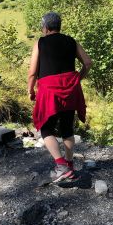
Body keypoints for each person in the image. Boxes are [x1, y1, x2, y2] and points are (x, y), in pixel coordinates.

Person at [27, 12, 92, 182]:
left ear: (45, 27)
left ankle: (61, 166)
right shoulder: (71, 41)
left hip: (49, 89)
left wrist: (30, 90)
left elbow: (33, 72)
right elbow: (87, 62)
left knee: (46, 128)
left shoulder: (40, 43)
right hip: (70, 88)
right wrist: (78, 78)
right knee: (67, 128)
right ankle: (69, 166)